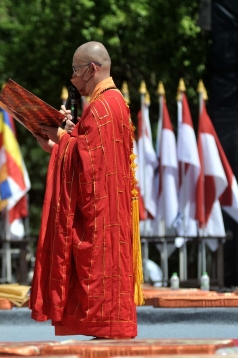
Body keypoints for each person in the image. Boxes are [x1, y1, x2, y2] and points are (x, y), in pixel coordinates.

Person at [30, 41, 143, 339]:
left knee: (99, 280)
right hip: (112, 209)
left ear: (93, 68)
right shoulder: (113, 102)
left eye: (76, 71)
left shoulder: (102, 106)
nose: (73, 79)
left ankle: (107, 329)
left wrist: (60, 139)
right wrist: (64, 136)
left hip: (102, 214)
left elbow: (89, 164)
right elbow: (91, 150)